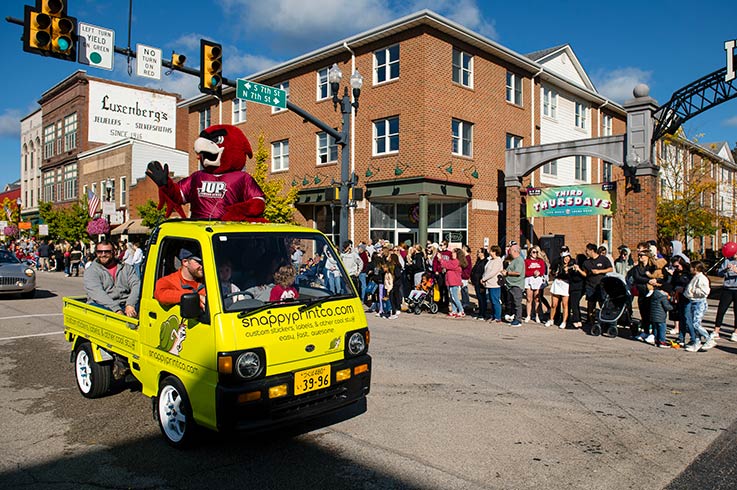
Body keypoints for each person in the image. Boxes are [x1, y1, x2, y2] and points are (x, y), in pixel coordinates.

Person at [84, 240, 140, 318]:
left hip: (125, 303)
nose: (103, 254)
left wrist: (130, 304)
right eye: (99, 252)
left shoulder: (126, 268)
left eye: (107, 252)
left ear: (114, 252)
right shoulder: (91, 271)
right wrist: (116, 310)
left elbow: (136, 284)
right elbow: (97, 294)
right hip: (102, 304)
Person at [683, 261, 715, 352]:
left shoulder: (702, 278)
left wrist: (693, 290)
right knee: (694, 323)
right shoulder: (695, 277)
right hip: (693, 301)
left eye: (691, 267)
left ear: (696, 268)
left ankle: (709, 338)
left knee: (695, 324)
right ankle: (697, 342)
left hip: (699, 303)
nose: (690, 269)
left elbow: (705, 292)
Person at [580, 243, 613, 328]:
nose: (586, 252)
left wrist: (599, 271)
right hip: (590, 286)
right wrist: (579, 270)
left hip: (601, 286)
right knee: (591, 305)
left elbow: (610, 269)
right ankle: (591, 322)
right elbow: (585, 274)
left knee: (603, 304)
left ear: (592, 251)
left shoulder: (603, 259)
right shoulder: (586, 262)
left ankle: (606, 322)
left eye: (587, 250)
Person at [712, 250, 737, 342]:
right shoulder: (727, 260)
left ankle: (735, 332)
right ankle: (716, 330)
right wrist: (725, 269)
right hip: (727, 289)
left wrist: (736, 270)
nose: (734, 255)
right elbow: (719, 273)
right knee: (721, 310)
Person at [546, 250, 574, 329]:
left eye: (568, 257)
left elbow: (572, 276)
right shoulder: (558, 264)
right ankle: (551, 319)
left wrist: (568, 271)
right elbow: (552, 272)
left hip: (566, 284)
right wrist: (554, 273)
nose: (567, 259)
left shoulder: (571, 265)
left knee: (565, 304)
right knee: (554, 304)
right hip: (557, 283)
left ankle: (564, 321)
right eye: (565, 257)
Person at [501, 244, 525, 326]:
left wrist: (507, 273)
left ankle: (518, 320)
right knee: (513, 303)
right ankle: (514, 318)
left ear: (515, 251)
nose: (509, 252)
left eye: (510, 250)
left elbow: (518, 272)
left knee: (517, 303)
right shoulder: (514, 260)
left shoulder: (519, 260)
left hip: (516, 285)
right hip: (510, 285)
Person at [524, 245, 548, 323]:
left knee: (537, 299)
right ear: (530, 253)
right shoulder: (526, 261)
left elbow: (542, 270)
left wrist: (538, 273)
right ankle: (528, 315)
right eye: (533, 252)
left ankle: (537, 315)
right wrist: (533, 272)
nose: (535, 254)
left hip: (537, 280)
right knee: (528, 299)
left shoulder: (540, 261)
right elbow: (525, 271)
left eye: (536, 252)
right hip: (529, 279)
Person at [482, 245, 504, 323]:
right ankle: (493, 315)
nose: (489, 252)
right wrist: (483, 279)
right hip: (489, 283)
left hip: (494, 283)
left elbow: (493, 272)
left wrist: (484, 278)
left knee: (495, 300)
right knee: (491, 300)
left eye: (491, 251)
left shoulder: (498, 260)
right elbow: (486, 270)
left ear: (495, 252)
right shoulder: (490, 260)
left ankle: (498, 317)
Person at [649, 282, 674, 348]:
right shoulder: (663, 297)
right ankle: (662, 341)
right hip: (660, 316)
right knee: (662, 329)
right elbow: (667, 307)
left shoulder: (655, 294)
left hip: (654, 315)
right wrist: (673, 306)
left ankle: (656, 341)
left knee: (656, 329)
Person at [445, 248, 464, 318]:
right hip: (450, 282)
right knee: (451, 297)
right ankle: (454, 310)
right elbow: (446, 264)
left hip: (454, 282)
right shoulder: (451, 261)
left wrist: (441, 260)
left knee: (455, 297)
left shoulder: (456, 262)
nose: (452, 254)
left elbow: (448, 265)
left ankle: (461, 310)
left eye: (453, 253)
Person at [471, 248, 489, 320]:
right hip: (476, 282)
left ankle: (483, 313)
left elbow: (484, 272)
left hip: (481, 282)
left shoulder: (485, 262)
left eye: (479, 252)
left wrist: (483, 280)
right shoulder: (478, 261)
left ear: (483, 253)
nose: (477, 253)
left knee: (482, 298)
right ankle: (480, 312)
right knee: (479, 297)